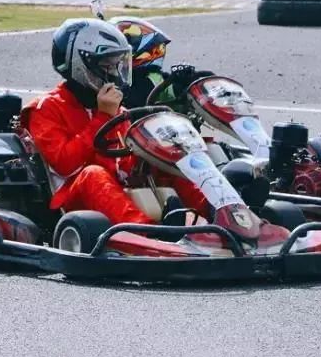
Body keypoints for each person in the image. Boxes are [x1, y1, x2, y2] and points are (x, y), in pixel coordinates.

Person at [20, 18, 208, 225]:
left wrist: (154, 153)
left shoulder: (116, 110)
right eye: (107, 66)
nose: (114, 73)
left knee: (166, 159)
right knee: (93, 174)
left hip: (117, 190)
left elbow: (124, 161)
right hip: (74, 198)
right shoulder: (46, 108)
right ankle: (147, 233)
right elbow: (66, 165)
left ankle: (219, 212)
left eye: (116, 64)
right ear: (81, 66)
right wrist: (103, 117)